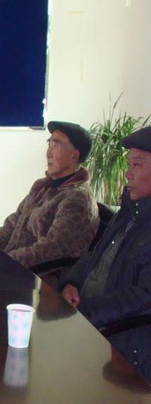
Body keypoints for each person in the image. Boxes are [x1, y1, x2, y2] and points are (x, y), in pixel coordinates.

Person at [61, 126, 151, 380]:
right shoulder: (129, 211)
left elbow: (144, 297)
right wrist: (71, 282)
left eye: (137, 165)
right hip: (88, 321)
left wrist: (87, 311)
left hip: (120, 341)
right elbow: (93, 255)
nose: (128, 173)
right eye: (128, 164)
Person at [0, 121, 99, 287]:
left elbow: (51, 250)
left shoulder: (77, 199)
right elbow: (12, 223)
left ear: (74, 155)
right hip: (12, 269)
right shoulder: (41, 186)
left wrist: (4, 261)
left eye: (56, 145)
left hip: (39, 283)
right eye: (49, 144)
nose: (48, 153)